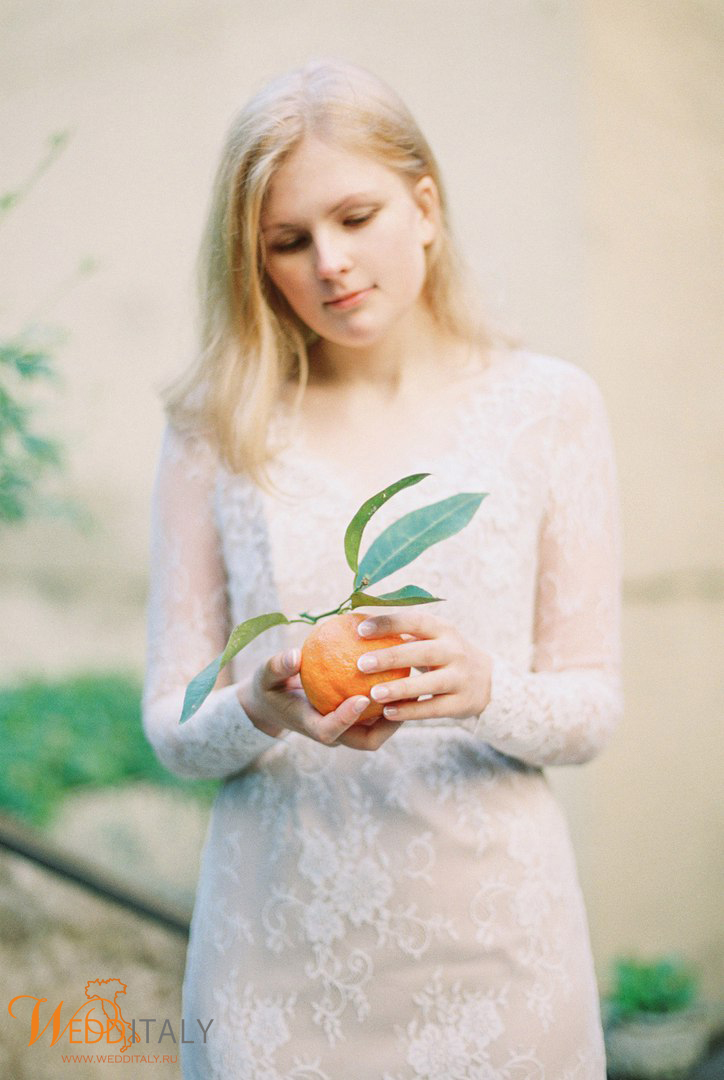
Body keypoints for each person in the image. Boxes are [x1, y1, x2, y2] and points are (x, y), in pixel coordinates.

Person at [142, 57, 622, 1079]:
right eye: (288, 240)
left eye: (355, 217)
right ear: (255, 259)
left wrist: (487, 689)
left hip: (498, 957)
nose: (330, 262)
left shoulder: (549, 407)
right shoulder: (212, 431)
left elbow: (591, 707)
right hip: (276, 963)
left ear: (426, 205)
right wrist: (257, 708)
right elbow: (171, 726)